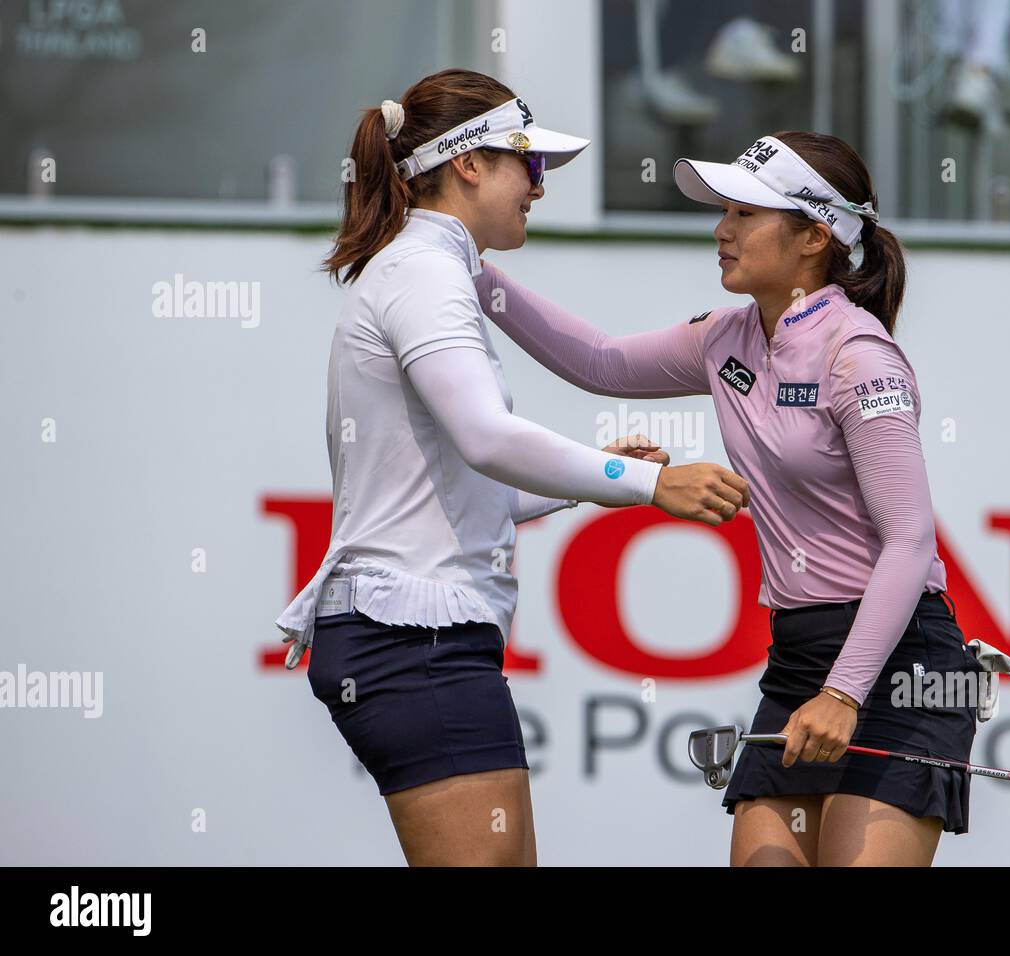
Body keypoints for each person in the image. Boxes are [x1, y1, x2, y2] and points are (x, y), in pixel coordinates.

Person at [275, 68, 749, 867]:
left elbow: (463, 481)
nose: (538, 187)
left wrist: (596, 479)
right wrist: (649, 483)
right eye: (527, 166)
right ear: (467, 163)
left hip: (419, 639)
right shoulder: (425, 272)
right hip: (412, 639)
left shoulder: (429, 266)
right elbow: (487, 437)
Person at [473, 131, 982, 866]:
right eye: (725, 212)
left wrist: (844, 694)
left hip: (901, 663)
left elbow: (910, 543)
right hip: (801, 658)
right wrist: (467, 266)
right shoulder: (728, 338)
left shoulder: (859, 356)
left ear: (814, 235)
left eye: (745, 214)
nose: (721, 230)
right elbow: (599, 361)